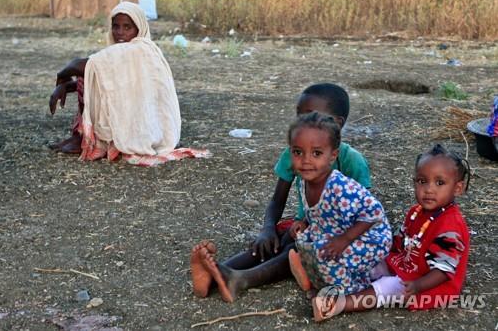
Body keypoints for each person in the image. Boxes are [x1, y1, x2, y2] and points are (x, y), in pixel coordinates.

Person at [190, 84, 373, 302]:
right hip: (302, 226)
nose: (300, 122)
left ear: (337, 123)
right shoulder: (294, 153)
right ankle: (215, 271)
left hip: (336, 234)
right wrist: (267, 230)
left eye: (310, 116)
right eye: (298, 115)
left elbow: (364, 213)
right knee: (272, 243)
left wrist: (323, 231)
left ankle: (241, 279)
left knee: (293, 249)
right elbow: (278, 200)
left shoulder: (351, 161)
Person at [312, 144, 471, 321]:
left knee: (387, 286)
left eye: (439, 183)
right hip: (403, 264)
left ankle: (336, 305)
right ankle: (321, 277)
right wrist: (378, 252)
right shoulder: (416, 212)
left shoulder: (451, 226)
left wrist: (418, 286)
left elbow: (443, 270)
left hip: (426, 282)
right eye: (422, 181)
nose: (429, 189)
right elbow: (400, 241)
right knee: (369, 260)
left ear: (457, 188)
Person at [49, 2, 187, 166]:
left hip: (144, 127)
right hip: (140, 122)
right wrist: (65, 86)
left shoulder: (140, 49)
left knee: (91, 72)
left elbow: (82, 65)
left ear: (139, 29)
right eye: (116, 26)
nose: (120, 33)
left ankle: (86, 139)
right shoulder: (133, 52)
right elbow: (105, 79)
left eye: (127, 27)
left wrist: (62, 75)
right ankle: (80, 136)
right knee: (91, 77)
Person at [286, 111, 391, 299]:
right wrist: (303, 221)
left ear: (332, 156)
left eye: (316, 153)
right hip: (336, 230)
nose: (306, 161)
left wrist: (344, 240)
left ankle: (349, 289)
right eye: (297, 152)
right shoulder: (303, 182)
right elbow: (317, 214)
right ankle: (318, 281)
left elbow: (375, 213)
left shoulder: (340, 187)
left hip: (369, 237)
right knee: (304, 242)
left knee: (327, 256)